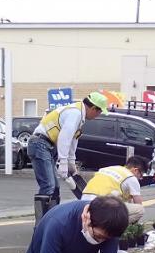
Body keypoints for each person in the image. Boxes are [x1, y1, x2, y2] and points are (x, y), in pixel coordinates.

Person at [28, 92, 108, 223]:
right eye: (99, 112)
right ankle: (42, 225)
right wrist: (63, 161)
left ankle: (51, 221)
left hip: (47, 146)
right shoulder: (75, 113)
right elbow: (65, 137)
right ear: (93, 108)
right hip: (40, 144)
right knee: (48, 186)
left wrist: (71, 162)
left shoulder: (78, 114)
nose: (98, 116)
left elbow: (72, 140)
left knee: (54, 188)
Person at [81, 155, 148, 224]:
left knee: (121, 198)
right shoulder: (131, 177)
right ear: (136, 170)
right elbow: (138, 204)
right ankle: (111, 228)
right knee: (140, 210)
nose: (141, 178)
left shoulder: (108, 169)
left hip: (84, 203)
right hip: (100, 207)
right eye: (141, 175)